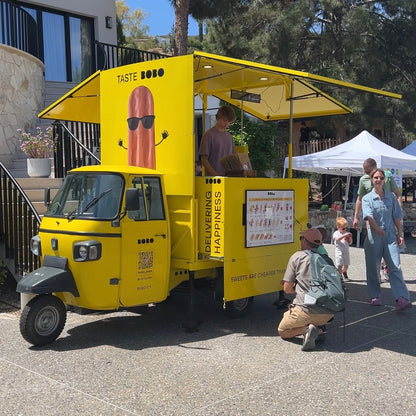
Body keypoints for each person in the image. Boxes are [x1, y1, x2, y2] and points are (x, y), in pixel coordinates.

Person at [362, 168, 411, 310]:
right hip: (374, 237)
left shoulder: (391, 197)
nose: (378, 180)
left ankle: (401, 298)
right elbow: (369, 216)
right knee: (373, 267)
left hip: (390, 236)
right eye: (376, 177)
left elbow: (396, 216)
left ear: (385, 180)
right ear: (372, 179)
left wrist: (400, 234)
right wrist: (377, 230)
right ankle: (374, 295)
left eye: (381, 178)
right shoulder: (367, 198)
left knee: (395, 266)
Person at [278, 228, 334, 351]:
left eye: (301, 238)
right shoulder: (326, 259)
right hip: (328, 312)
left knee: (282, 330)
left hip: (305, 310)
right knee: (315, 316)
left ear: (304, 241)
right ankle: (318, 328)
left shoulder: (297, 257)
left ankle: (307, 330)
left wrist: (297, 288)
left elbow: (287, 289)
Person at [353, 158, 402, 230]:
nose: (368, 174)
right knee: (373, 239)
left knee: (392, 238)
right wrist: (356, 217)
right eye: (366, 172)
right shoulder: (363, 179)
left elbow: (398, 195)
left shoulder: (387, 176)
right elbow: (359, 199)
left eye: (369, 172)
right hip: (372, 215)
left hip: (389, 215)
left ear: (375, 167)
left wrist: (398, 212)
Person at [198, 105, 236, 176]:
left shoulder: (229, 137)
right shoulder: (209, 135)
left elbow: (233, 158)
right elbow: (204, 159)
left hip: (228, 178)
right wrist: (215, 174)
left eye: (229, 121)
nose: (226, 123)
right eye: (225, 120)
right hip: (212, 180)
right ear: (217, 118)